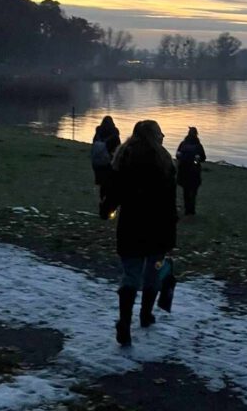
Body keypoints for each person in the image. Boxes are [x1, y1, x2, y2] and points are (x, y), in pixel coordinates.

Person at [104, 120, 178, 346]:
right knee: (155, 272)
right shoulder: (164, 159)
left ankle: (124, 324)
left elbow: (113, 190)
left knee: (131, 275)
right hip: (158, 229)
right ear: (156, 135)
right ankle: (146, 315)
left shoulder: (124, 156)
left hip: (131, 227)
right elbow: (170, 199)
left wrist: (106, 208)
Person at [91, 115, 121, 216]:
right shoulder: (114, 135)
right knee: (110, 185)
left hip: (98, 164)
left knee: (103, 185)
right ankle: (108, 208)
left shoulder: (98, 133)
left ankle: (102, 202)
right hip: (109, 164)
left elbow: (94, 144)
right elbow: (118, 150)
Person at [176, 126, 207, 216]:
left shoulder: (183, 144)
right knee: (193, 191)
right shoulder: (198, 145)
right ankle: (191, 210)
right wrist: (198, 159)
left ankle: (187, 209)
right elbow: (203, 158)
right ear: (196, 134)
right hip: (194, 171)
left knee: (186, 191)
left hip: (184, 170)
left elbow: (178, 155)